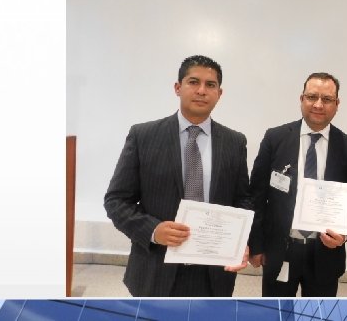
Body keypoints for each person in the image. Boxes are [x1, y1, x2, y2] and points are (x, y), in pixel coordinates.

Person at [104, 55, 251, 297]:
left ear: (219, 93)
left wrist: (241, 240)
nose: (201, 91)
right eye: (193, 82)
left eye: (210, 85)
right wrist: (153, 230)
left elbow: (242, 200)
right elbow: (116, 201)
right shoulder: (144, 136)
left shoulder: (234, 142)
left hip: (213, 272)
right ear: (177, 87)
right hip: (155, 267)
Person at [248, 72, 347, 297]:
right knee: (277, 312)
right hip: (280, 250)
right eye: (312, 97)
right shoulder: (275, 138)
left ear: (337, 104)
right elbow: (256, 196)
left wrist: (344, 235)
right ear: (301, 99)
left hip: (325, 253)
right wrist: (256, 244)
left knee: (319, 312)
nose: (318, 104)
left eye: (327, 99)